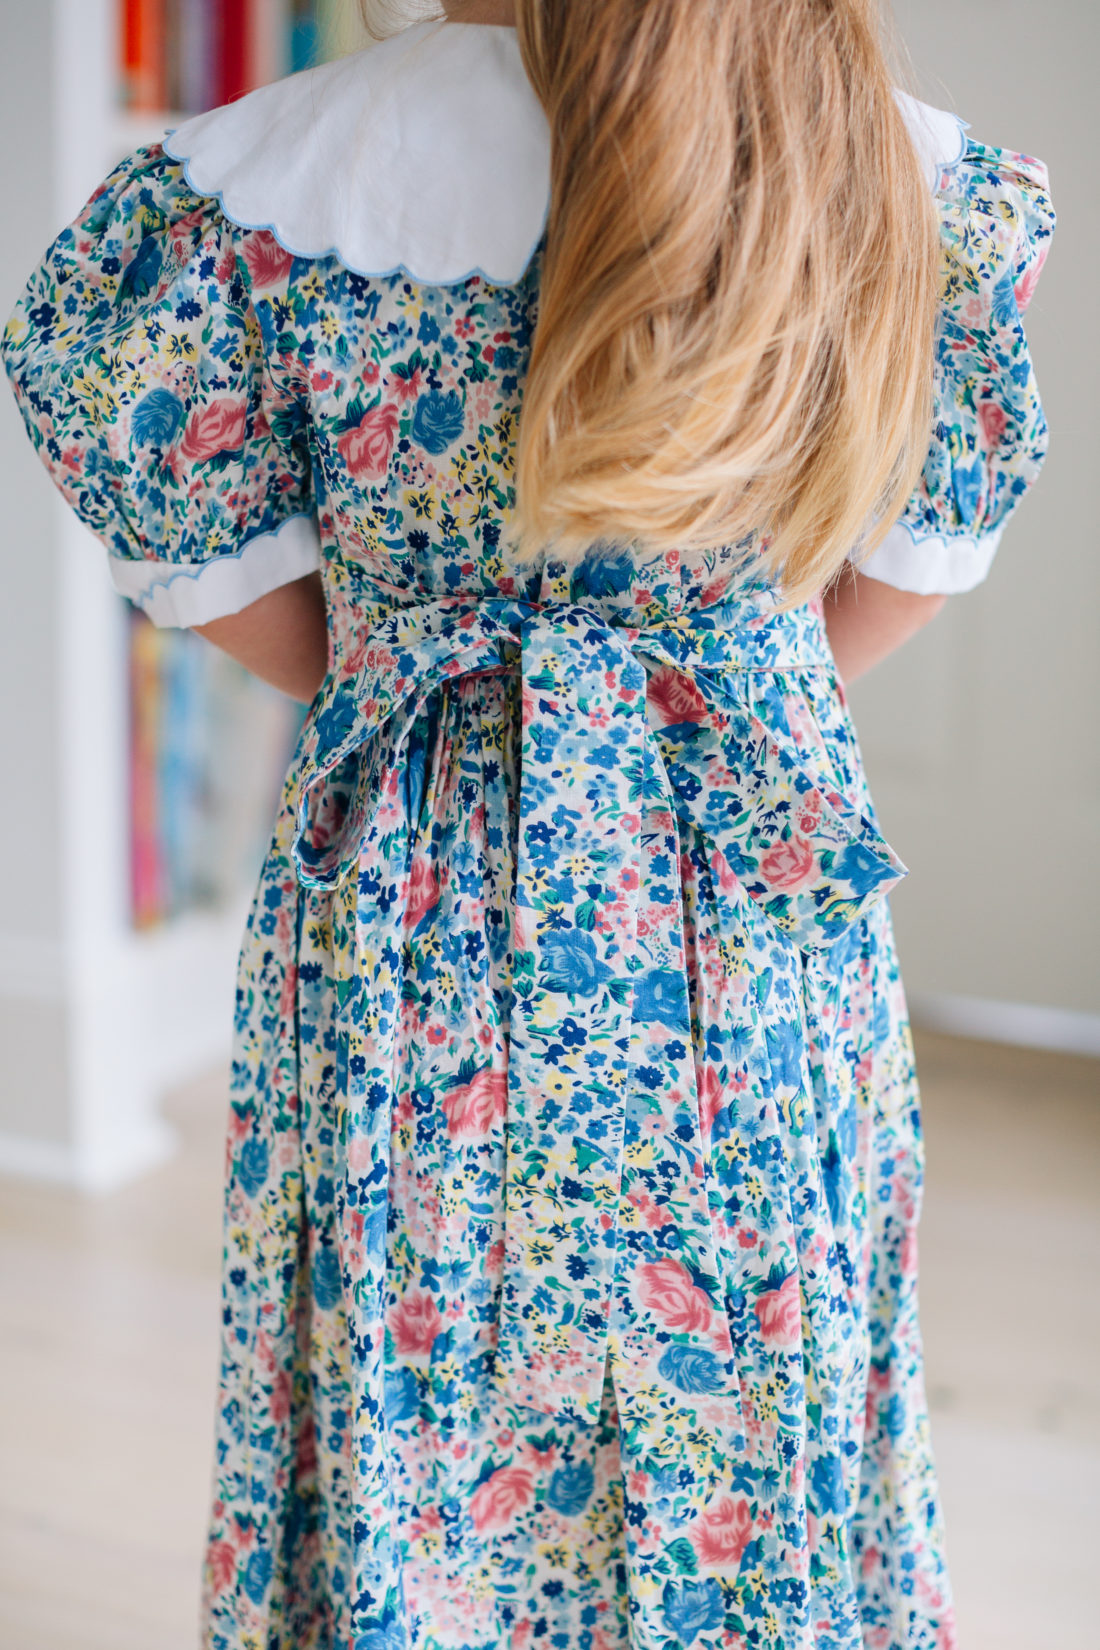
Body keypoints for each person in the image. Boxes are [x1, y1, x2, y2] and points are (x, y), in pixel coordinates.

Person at [2, 1, 1053, 1645]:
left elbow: (244, 597)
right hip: (741, 928)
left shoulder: (264, 185)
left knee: (409, 1380)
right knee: (759, 1378)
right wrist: (712, 672)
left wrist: (427, 670)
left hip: (416, 931)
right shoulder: (880, 158)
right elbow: (905, 564)